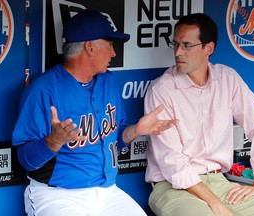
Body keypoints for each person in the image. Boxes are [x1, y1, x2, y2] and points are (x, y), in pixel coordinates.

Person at [12, 10, 178, 216]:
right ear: (90, 47)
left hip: (107, 193)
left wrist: (136, 130)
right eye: (109, 45)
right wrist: (53, 141)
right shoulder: (43, 90)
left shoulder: (108, 82)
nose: (113, 53)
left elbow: (113, 141)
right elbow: (26, 160)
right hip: (58, 196)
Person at [144, 13, 254, 216]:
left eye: (186, 45)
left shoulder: (227, 79)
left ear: (208, 48)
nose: (178, 52)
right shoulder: (161, 90)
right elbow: (172, 163)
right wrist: (216, 205)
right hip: (173, 187)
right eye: (175, 44)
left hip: (219, 182)